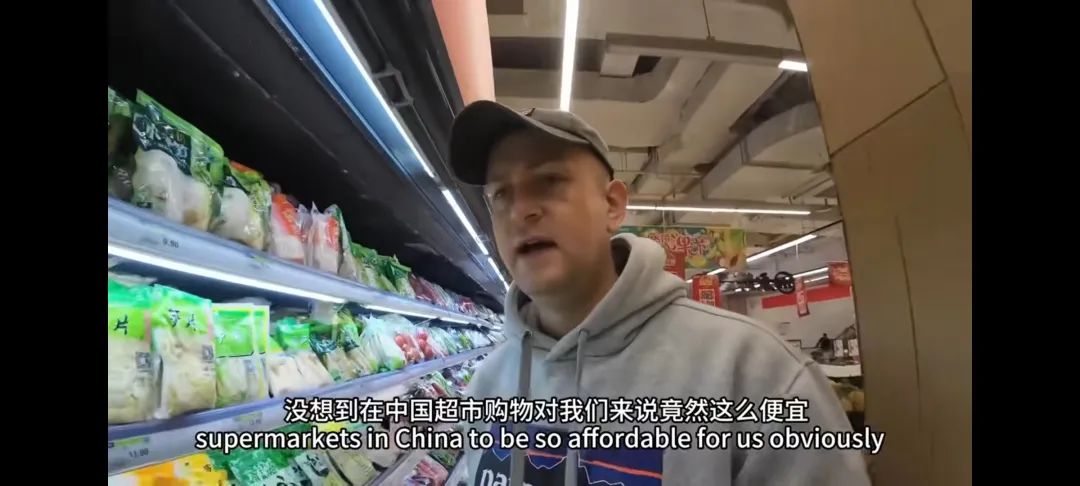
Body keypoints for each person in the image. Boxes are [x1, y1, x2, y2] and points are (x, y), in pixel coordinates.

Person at [448, 100, 871, 486]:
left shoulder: (757, 375)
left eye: (549, 181)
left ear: (613, 206)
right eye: (501, 194)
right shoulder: (488, 386)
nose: (521, 210)